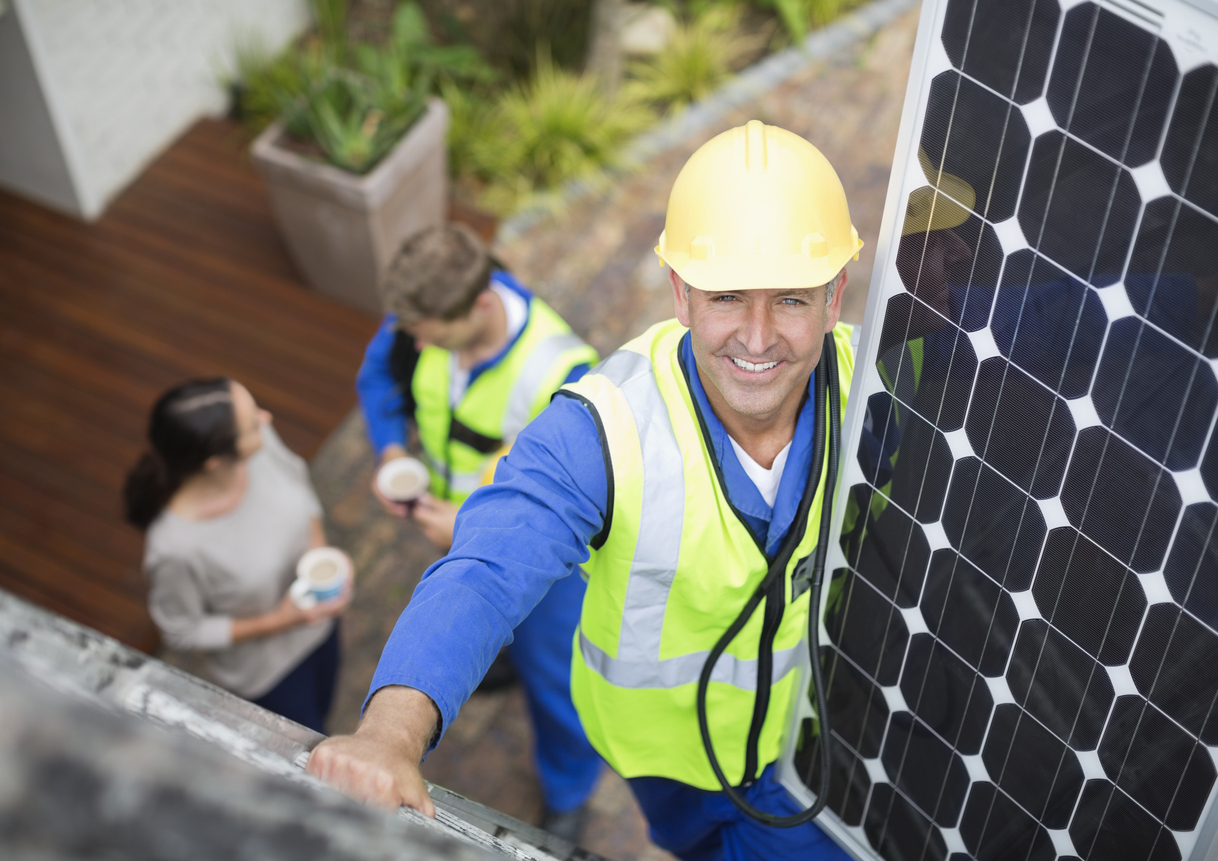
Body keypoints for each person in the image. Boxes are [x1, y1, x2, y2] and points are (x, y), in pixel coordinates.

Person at [310, 120, 859, 860]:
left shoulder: (880, 388)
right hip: (664, 757)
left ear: (835, 296)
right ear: (680, 294)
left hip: (808, 744)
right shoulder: (601, 427)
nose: (757, 338)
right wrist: (388, 734)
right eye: (727, 296)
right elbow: (486, 570)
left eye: (792, 299)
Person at [354, 223, 603, 838]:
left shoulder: (563, 372)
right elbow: (379, 376)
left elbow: (569, 500)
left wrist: (466, 529)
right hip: (455, 527)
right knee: (482, 625)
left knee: (560, 684)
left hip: (548, 569)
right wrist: (389, 451)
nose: (413, 340)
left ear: (481, 304)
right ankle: (498, 655)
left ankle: (569, 792)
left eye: (426, 334)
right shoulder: (427, 315)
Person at [124, 378, 352, 734]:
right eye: (252, 422)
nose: (266, 417)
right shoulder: (174, 547)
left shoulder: (260, 444)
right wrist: (280, 620)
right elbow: (182, 631)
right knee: (308, 743)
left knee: (325, 706)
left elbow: (297, 479)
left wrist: (321, 554)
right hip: (267, 675)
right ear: (215, 461)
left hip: (319, 626)